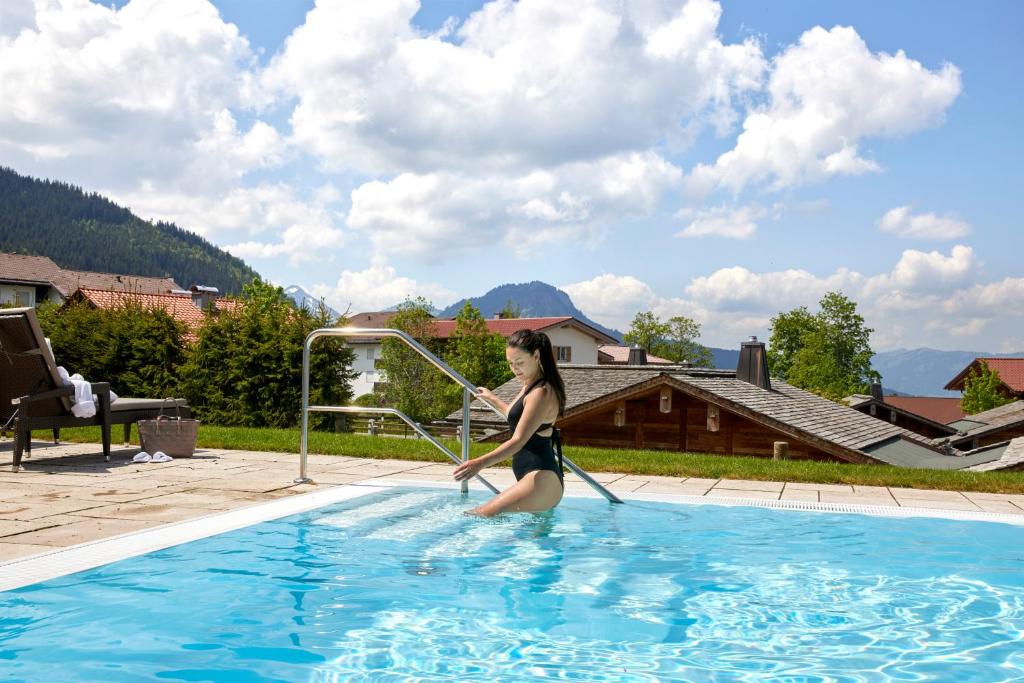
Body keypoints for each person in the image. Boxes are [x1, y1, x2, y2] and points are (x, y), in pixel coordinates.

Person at [453, 329, 566, 516]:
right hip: (532, 477)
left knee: (478, 515)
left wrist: (479, 463)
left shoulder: (542, 392)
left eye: (520, 362)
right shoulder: (529, 384)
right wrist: (493, 399)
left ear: (536, 356)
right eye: (511, 363)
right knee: (530, 543)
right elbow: (521, 419)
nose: (515, 369)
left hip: (542, 479)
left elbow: (519, 439)